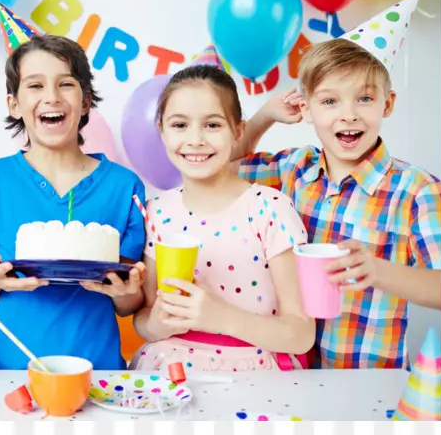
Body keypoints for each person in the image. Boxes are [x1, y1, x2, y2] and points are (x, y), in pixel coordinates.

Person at [236, 0, 441, 369]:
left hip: (368, 380)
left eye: (364, 99)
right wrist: (265, 115)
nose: (348, 116)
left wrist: (377, 271)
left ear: (388, 104)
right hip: (290, 372)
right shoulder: (293, 169)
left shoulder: (418, 191)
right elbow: (225, 165)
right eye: (329, 102)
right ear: (307, 108)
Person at [0, 11, 146, 370]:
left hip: (99, 370)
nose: (51, 97)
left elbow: (127, 304)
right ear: (13, 104)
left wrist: (129, 293)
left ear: (86, 101)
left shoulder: (124, 186)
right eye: (35, 85)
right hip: (11, 370)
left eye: (65, 84)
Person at [130, 62, 315, 372]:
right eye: (179, 125)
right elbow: (144, 319)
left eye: (212, 125)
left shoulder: (270, 209)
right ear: (161, 130)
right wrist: (159, 324)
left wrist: (219, 317)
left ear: (237, 131)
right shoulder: (156, 212)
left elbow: (301, 334)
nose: (196, 139)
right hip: (169, 368)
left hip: (255, 373)